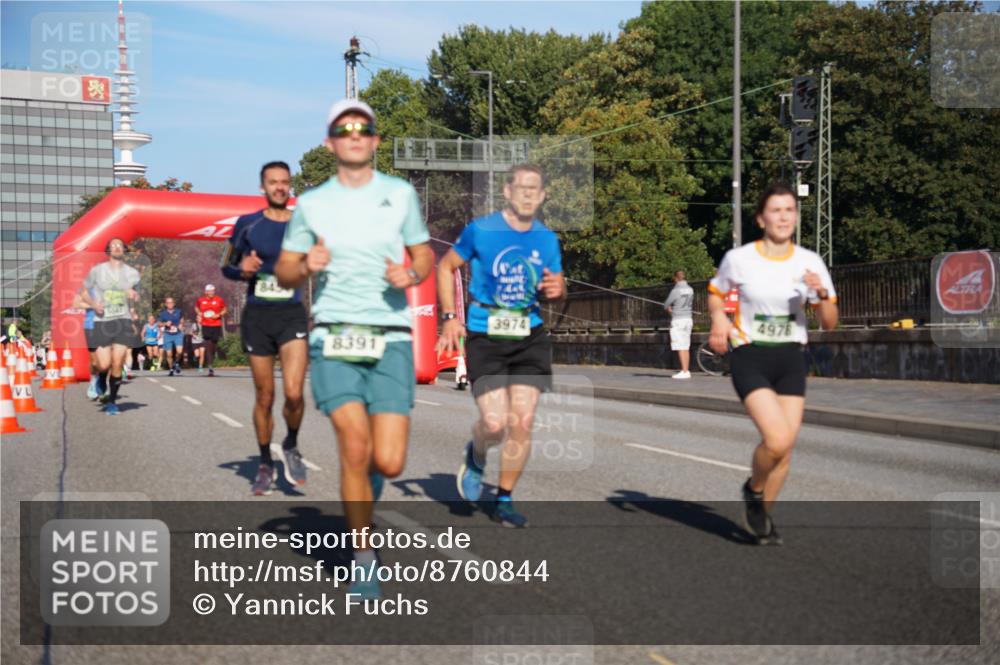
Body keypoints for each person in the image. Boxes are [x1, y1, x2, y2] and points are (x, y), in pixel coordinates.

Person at [275, 99, 433, 597]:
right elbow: (284, 269)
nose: (354, 135)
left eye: (363, 128)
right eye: (344, 129)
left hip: (390, 337)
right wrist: (306, 266)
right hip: (334, 335)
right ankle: (363, 554)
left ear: (375, 140)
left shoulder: (401, 194)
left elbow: (425, 255)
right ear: (331, 142)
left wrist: (409, 273)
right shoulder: (313, 203)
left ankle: (363, 493)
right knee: (354, 442)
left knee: (388, 462)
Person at [707, 183, 838, 545]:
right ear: (761, 218)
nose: (783, 217)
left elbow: (829, 322)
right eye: (776, 210)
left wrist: (822, 293)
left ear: (796, 216)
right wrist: (719, 320)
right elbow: (717, 295)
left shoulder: (810, 262)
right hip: (751, 354)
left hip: (791, 357)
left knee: (786, 448)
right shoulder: (740, 258)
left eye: (789, 210)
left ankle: (760, 513)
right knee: (776, 439)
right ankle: (753, 489)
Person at [436, 163, 566, 528]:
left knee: (522, 421)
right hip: (485, 334)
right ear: (507, 192)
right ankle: (476, 455)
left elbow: (556, 285)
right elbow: (446, 267)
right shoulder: (481, 230)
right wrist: (450, 317)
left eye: (534, 189)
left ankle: (504, 498)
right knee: (494, 424)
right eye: (520, 187)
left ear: (541, 197)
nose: (527, 193)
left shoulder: (546, 239)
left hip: (530, 334)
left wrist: (557, 290)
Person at [222, 161, 310, 494]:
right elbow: (226, 265)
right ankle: (263, 462)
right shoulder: (247, 224)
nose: (279, 187)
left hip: (291, 314)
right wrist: (242, 269)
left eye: (284, 182)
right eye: (273, 182)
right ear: (263, 187)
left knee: (294, 393)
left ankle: (290, 443)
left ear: (290, 187)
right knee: (265, 396)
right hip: (258, 317)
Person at [78, 238, 141, 415]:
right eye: (113, 245)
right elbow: (83, 293)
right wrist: (94, 304)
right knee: (103, 364)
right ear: (108, 251)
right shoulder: (97, 271)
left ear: (124, 251)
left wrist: (133, 299)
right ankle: (99, 378)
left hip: (122, 321)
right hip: (102, 321)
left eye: (120, 245)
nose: (116, 247)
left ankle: (112, 402)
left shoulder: (132, 273)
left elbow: (134, 294)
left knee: (117, 363)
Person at [664, 269, 694, 379]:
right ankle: (686, 370)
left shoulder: (676, 290)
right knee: (686, 345)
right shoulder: (690, 289)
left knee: (680, 345)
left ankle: (684, 371)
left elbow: (666, 304)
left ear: (676, 278)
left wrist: (669, 308)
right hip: (688, 319)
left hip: (678, 320)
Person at [195, 284, 226, 377]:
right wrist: (199, 313)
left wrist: (219, 315)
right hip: (206, 325)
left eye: (213, 290)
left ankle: (211, 359)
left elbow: (224, 309)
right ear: (206, 292)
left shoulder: (219, 299)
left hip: (216, 325)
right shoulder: (201, 300)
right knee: (208, 344)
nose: (212, 292)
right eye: (210, 291)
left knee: (214, 345)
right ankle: (210, 366)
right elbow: (196, 307)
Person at [157, 296, 184, 375]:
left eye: (171, 302)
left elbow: (182, 319)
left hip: (178, 334)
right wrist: (165, 323)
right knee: (169, 354)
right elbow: (158, 324)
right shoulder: (163, 313)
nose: (170, 304)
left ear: (174, 303)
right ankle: (171, 369)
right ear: (166, 304)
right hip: (168, 335)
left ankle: (176, 363)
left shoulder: (179, 311)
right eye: (168, 303)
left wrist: (181, 324)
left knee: (180, 351)